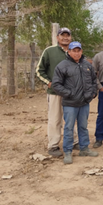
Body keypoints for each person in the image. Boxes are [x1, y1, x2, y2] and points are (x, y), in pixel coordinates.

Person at [51, 42, 98, 164]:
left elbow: (94, 80)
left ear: (81, 51)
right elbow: (56, 84)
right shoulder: (62, 66)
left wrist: (93, 93)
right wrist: (69, 93)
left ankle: (84, 148)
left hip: (84, 103)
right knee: (69, 128)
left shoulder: (87, 65)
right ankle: (68, 152)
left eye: (79, 50)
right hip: (70, 104)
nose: (77, 53)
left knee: (83, 127)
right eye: (74, 50)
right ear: (69, 52)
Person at [36, 27, 78, 157]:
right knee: (55, 119)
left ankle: (74, 141)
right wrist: (49, 82)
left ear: (70, 37)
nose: (65, 37)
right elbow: (39, 70)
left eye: (68, 35)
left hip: (72, 92)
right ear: (58, 37)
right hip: (55, 92)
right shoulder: (50, 51)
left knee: (72, 118)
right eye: (62, 35)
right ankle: (53, 145)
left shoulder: (74, 51)